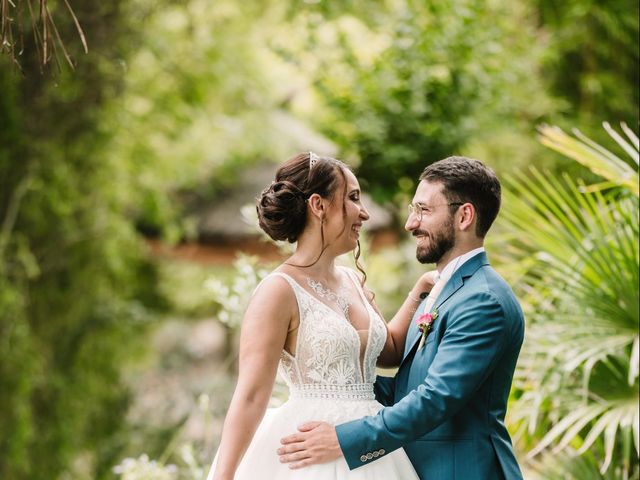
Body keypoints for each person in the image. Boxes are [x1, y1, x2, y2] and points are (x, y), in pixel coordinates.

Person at [278, 156, 525, 480]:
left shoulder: (483, 300)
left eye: (423, 210)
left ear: (464, 216)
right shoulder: (442, 290)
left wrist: (342, 440)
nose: (410, 223)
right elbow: (407, 389)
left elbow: (434, 399)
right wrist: (327, 386)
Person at [206, 152, 436, 480]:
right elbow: (251, 395)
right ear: (319, 205)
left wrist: (421, 290)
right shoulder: (278, 291)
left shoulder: (353, 280)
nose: (365, 213)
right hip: (308, 454)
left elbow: (391, 351)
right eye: (354, 198)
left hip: (369, 447)